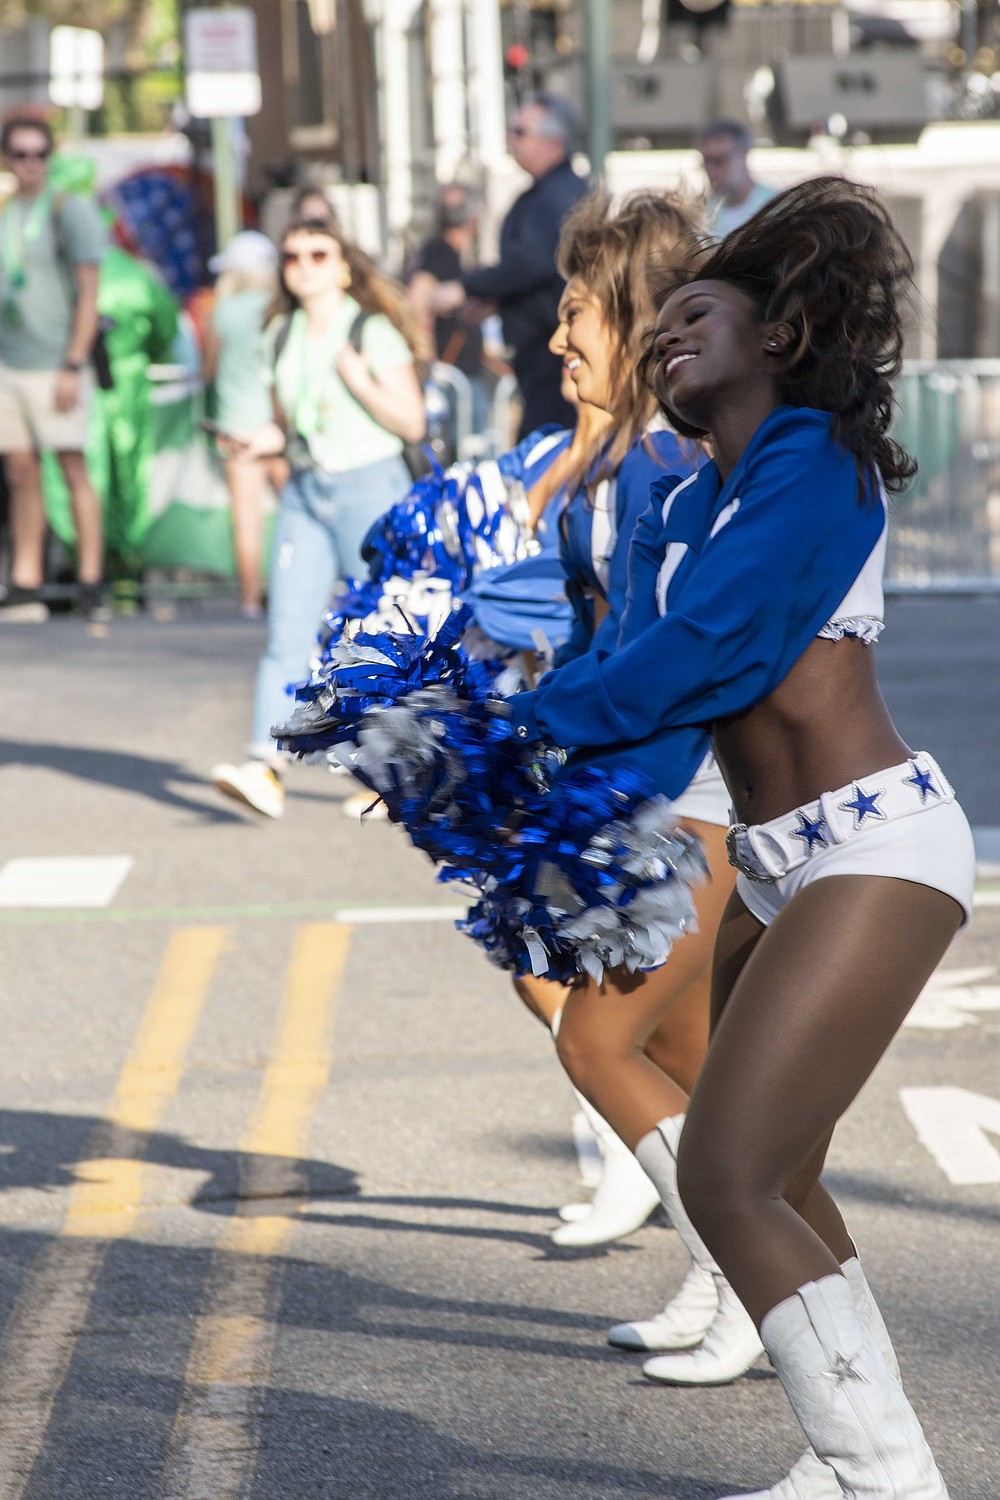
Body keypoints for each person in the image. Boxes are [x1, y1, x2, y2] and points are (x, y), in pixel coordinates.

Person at [498, 177, 971, 1495]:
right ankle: (849, 1458)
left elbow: (701, 655)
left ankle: (891, 1478)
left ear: (780, 333)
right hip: (778, 862)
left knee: (727, 1172)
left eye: (693, 312)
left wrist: (528, 734)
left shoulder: (811, 467)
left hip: (873, 849)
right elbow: (631, 646)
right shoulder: (696, 490)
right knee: (785, 1179)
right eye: (658, 324)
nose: (663, 337)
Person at [472, 191, 737, 1258]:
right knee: (678, 1056)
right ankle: (736, 1285)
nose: (554, 336)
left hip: (691, 793)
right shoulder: (619, 469)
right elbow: (597, 640)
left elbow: (663, 660)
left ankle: (755, 1281)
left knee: (603, 1036)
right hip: (640, 781)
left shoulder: (670, 468)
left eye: (573, 313)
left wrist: (545, 754)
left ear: (630, 325)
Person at [211, 215, 425, 819]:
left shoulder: (370, 329)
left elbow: (410, 422)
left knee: (385, 634)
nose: (303, 265)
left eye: (318, 254)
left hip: (372, 487)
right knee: (288, 630)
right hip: (309, 487)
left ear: (344, 265)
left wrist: (359, 381)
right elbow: (294, 424)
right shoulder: (282, 331)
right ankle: (264, 765)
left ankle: (400, 771)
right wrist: (262, 441)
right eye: (293, 256)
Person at [0, 116, 107, 620]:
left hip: (57, 360)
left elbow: (89, 291)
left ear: (50, 158)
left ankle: (90, 578)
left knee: (70, 464)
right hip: (9, 361)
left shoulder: (69, 207)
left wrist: (74, 361)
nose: (30, 165)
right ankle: (25, 579)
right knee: (19, 469)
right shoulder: (4, 207)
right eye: (20, 155)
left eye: (39, 155)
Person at [434, 94, 587, 438]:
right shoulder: (545, 193)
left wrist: (467, 287)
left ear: (553, 142)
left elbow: (531, 262)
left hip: (555, 353)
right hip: (540, 351)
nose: (511, 140)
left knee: (548, 450)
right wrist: (493, 300)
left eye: (520, 131)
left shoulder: (559, 195)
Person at [202, 229, 286, 618]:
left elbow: (209, 368)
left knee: (247, 518)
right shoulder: (280, 308)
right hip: (279, 424)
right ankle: (297, 591)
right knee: (298, 511)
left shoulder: (223, 310)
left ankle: (250, 599)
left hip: (237, 424)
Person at [407, 183, 492, 433]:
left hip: (458, 373)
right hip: (451, 377)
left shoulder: (448, 253)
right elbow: (417, 299)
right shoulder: (440, 253)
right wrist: (428, 363)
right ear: (473, 220)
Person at [698, 120, 776, 239]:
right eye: (706, 162)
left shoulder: (776, 206)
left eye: (719, 161)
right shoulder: (701, 213)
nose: (711, 171)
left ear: (743, 155)